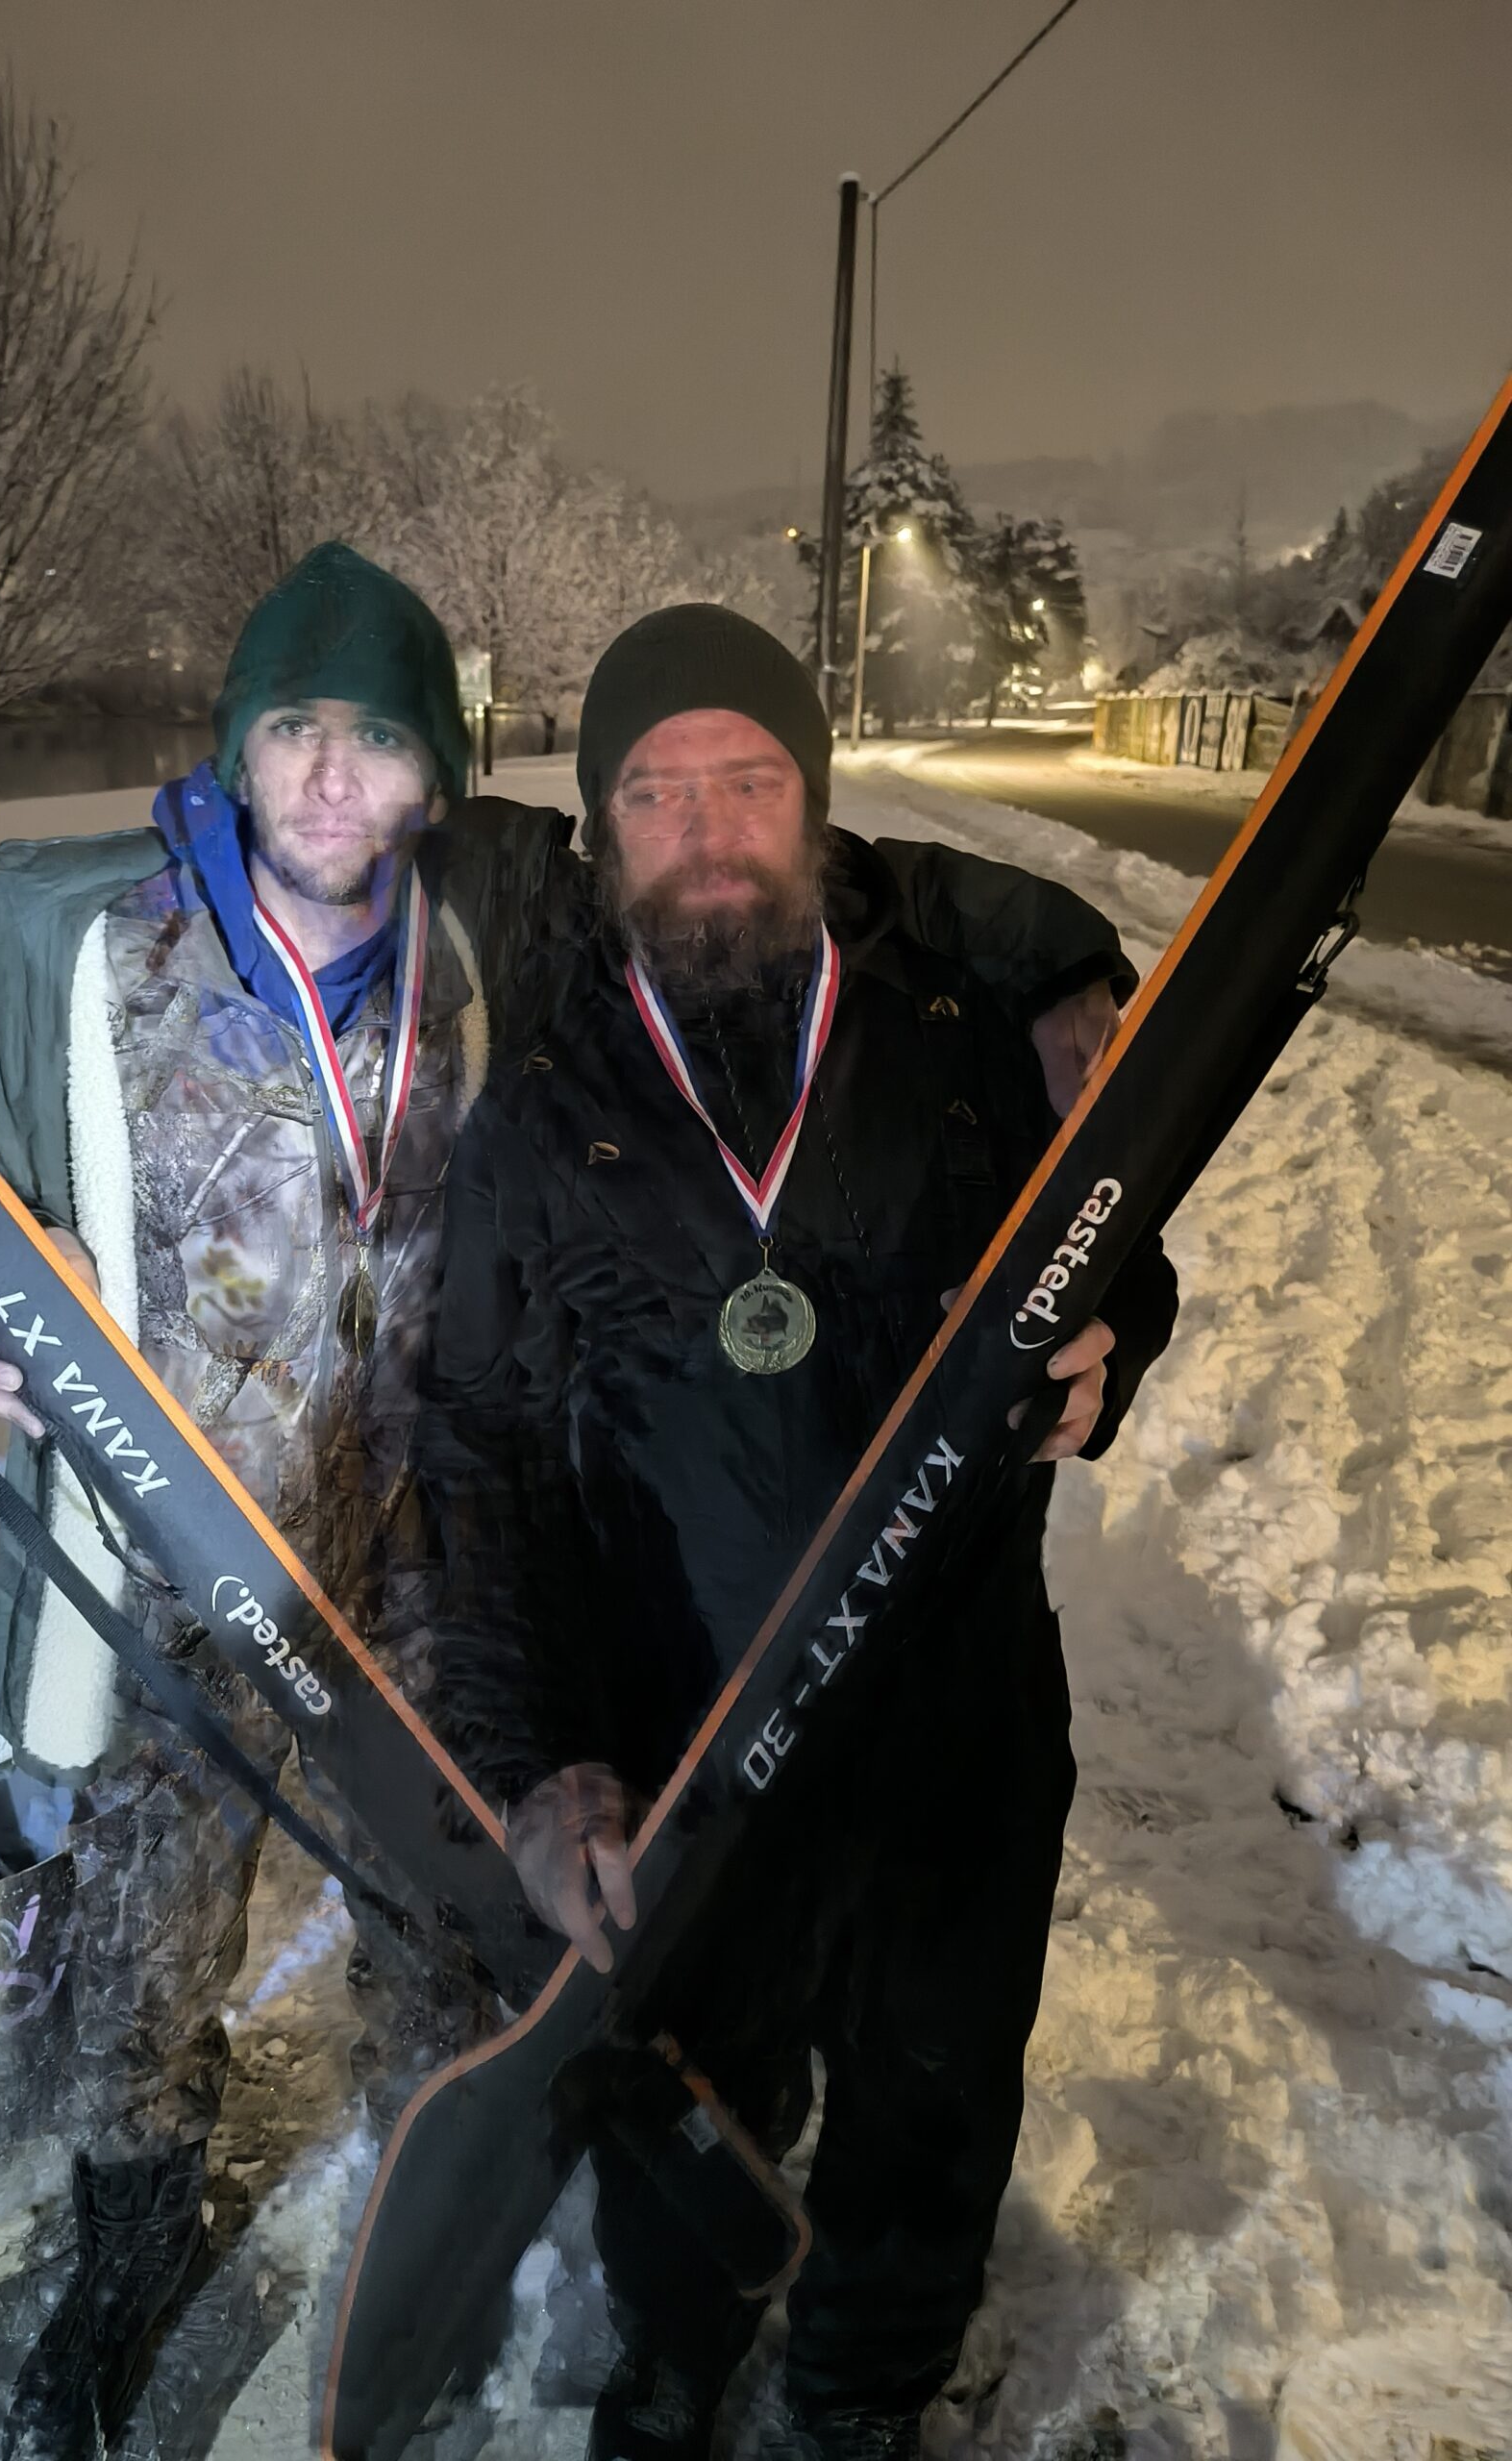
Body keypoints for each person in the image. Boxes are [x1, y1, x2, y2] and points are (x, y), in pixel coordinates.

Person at [0, 548, 1143, 2458]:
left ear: (442, 775)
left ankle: (453, 2222)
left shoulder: (497, 927)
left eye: (379, 739)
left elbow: (794, 866)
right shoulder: (78, 952)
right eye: (293, 733)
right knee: (144, 1938)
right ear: (239, 751)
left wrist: (1066, 957)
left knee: (451, 1947)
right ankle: (128, 2237)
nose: (333, 779)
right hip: (182, 1556)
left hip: (421, 1563)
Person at [416, 605, 1180, 2461]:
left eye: (750, 781)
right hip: (687, 1738)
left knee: (932, 2094)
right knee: (688, 2078)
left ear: (817, 807)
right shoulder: (542, 1110)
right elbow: (485, 1458)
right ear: (602, 835)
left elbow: (1116, 1259)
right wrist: (535, 1766)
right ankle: (677, 2357)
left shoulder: (967, 1042)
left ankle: (861, 2393)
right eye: (656, 792)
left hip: (953, 1715)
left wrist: (1114, 1348)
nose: (709, 830)